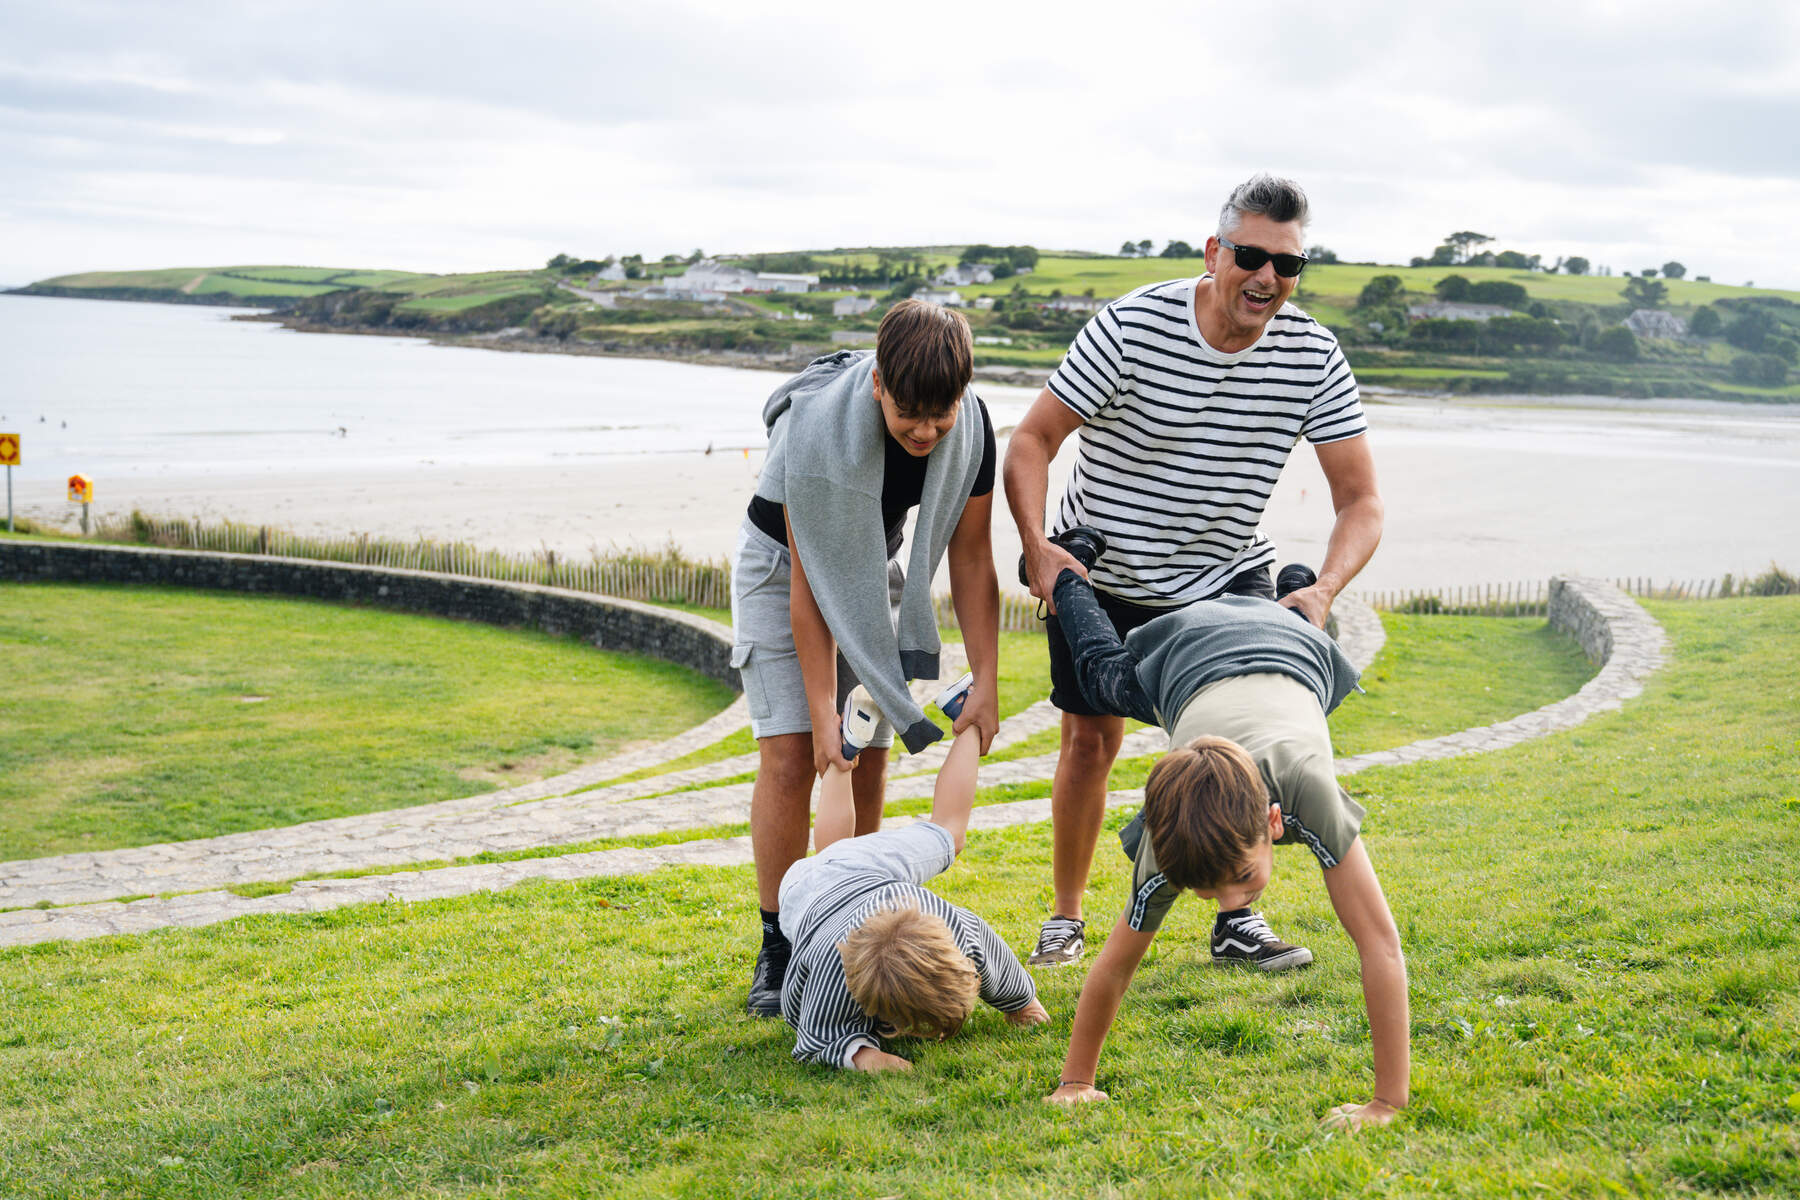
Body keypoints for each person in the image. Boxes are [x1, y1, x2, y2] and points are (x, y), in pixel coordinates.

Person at [1004, 172, 1384, 967]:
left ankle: (1236, 919)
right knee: (1088, 742)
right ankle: (1067, 919)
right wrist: (1039, 545)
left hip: (1226, 577)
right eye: (1251, 255)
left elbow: (1362, 504)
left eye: (1288, 265)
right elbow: (1034, 440)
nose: (1268, 277)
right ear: (1214, 253)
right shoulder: (1132, 325)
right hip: (1107, 570)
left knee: (1237, 756)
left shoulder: (1313, 354)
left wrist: (1321, 589)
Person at [1037, 555, 1408, 1129]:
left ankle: (1071, 574)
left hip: (1275, 648)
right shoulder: (1169, 840)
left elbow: (1380, 944)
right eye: (1207, 894)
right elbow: (1113, 967)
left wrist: (1387, 1101)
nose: (1234, 902)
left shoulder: (1308, 786)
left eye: (1238, 878)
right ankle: (1284, 584)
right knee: (1103, 681)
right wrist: (1075, 1083)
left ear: (1275, 821)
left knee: (1103, 674)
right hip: (1215, 651)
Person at [734, 300, 1002, 1016]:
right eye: (909, 412)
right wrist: (823, 713)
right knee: (801, 755)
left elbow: (972, 558)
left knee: (869, 756)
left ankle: (857, 927)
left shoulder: (970, 428)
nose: (925, 431)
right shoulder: (812, 432)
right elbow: (808, 583)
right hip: (783, 564)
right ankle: (781, 944)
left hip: (871, 559)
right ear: (879, 384)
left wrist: (989, 681)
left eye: (940, 414)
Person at [777, 711, 1049, 1071]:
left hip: (867, 868)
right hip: (805, 891)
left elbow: (991, 955)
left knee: (946, 835)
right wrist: (867, 1056)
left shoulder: (953, 928)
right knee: (833, 855)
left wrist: (1022, 1004)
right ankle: (851, 755)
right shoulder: (831, 965)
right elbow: (811, 1031)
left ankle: (957, 720)